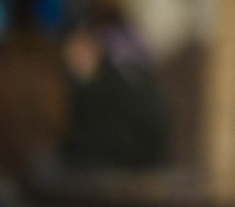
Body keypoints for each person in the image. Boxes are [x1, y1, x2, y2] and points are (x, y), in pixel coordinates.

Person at [54, 13, 169, 173]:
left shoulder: (120, 84)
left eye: (81, 47)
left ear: (95, 48)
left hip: (122, 167)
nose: (75, 56)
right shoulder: (69, 85)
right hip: (94, 167)